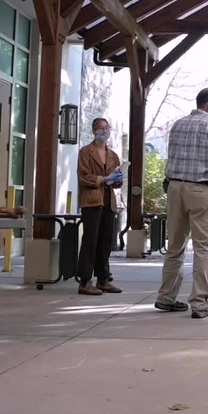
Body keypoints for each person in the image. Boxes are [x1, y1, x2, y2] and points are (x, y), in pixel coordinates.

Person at [156, 88, 208, 319]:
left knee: (175, 246)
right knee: (203, 248)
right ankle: (199, 303)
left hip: (175, 188)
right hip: (201, 189)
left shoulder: (178, 124)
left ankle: (166, 297)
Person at [76, 118, 124, 296]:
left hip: (108, 200)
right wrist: (104, 179)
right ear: (94, 131)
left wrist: (117, 180)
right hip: (92, 200)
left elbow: (115, 181)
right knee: (91, 240)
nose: (104, 131)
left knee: (106, 241)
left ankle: (103, 279)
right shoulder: (86, 152)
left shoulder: (112, 155)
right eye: (100, 128)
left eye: (106, 128)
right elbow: (84, 176)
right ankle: (85, 280)